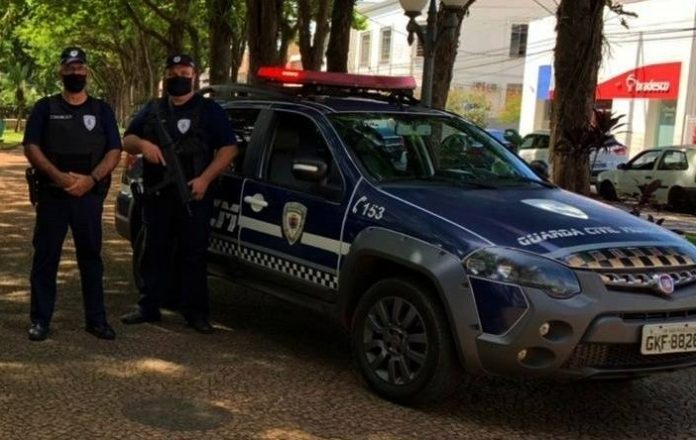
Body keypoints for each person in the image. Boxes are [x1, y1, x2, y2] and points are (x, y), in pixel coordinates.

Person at [120, 54, 237, 333]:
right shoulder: (153, 108)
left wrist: (205, 179)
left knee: (193, 254)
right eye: (173, 73)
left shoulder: (209, 110)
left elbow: (229, 149)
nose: (178, 78)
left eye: (184, 73)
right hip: (158, 195)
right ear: (165, 76)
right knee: (154, 251)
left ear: (194, 76)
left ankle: (196, 313)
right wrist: (144, 145)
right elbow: (128, 139)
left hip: (194, 194)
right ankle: (148, 307)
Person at [23, 47, 122, 341]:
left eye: (79, 68)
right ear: (61, 72)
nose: (75, 73)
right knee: (46, 257)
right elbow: (31, 147)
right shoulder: (45, 108)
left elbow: (114, 151)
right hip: (53, 195)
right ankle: (40, 320)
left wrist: (90, 180)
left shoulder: (102, 110)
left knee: (91, 258)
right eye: (70, 68)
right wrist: (60, 177)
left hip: (88, 197)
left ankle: (97, 320)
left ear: (87, 72)